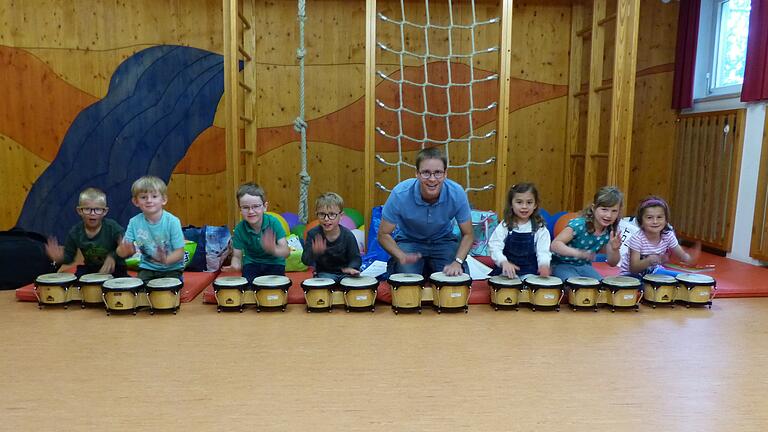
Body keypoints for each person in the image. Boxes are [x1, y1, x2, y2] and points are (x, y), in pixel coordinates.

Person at [377, 147, 473, 277]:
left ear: (445, 174)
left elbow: (468, 234)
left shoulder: (457, 193)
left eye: (438, 172)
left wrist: (457, 261)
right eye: (426, 173)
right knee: (405, 280)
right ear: (417, 173)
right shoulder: (400, 194)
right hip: (409, 240)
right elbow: (383, 234)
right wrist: (401, 256)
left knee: (456, 278)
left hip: (443, 240)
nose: (432, 179)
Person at [45, 187, 128, 277]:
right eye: (87, 209)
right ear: (79, 211)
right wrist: (60, 258)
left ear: (105, 211)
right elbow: (69, 257)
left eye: (97, 209)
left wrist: (113, 256)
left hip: (115, 268)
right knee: (78, 278)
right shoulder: (75, 232)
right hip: (91, 268)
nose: (92, 213)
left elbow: (124, 248)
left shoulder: (113, 228)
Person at [116, 176, 185, 282]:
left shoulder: (172, 221)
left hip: (172, 269)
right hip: (147, 268)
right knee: (138, 290)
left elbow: (179, 253)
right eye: (143, 197)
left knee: (166, 291)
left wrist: (165, 260)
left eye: (154, 196)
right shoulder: (134, 222)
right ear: (135, 201)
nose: (149, 200)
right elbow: (124, 251)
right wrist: (123, 251)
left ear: (164, 199)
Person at [550, 186, 624, 280]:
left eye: (614, 211)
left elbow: (612, 263)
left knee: (601, 286)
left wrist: (615, 249)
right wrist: (578, 253)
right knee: (574, 285)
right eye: (604, 209)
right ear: (593, 208)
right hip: (561, 264)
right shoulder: (579, 225)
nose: (609, 215)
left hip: (584, 266)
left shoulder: (610, 231)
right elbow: (555, 245)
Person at [619, 196, 700, 278]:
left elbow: (681, 254)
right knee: (649, 287)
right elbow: (634, 268)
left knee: (685, 278)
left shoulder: (668, 235)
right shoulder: (637, 239)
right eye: (649, 218)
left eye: (659, 217)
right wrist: (649, 261)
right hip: (631, 275)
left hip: (654, 271)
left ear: (666, 220)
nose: (655, 221)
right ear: (641, 221)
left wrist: (689, 259)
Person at [223, 182, 289, 281]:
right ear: (240, 209)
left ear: (265, 207)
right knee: (247, 287)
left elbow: (286, 252)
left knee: (275, 287)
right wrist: (235, 265)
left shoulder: (274, 223)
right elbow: (237, 256)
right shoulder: (239, 229)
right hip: (252, 263)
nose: (251, 211)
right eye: (245, 207)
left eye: (256, 206)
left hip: (274, 263)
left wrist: (273, 249)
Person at [488, 183, 551, 279]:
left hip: (529, 271)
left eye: (529, 202)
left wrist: (544, 264)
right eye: (519, 202)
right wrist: (503, 262)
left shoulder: (540, 228)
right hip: (506, 271)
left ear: (535, 205)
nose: (524, 206)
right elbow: (494, 245)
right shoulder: (505, 225)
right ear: (511, 204)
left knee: (529, 286)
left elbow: (543, 251)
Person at [301, 192, 362, 282]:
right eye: (322, 214)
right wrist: (314, 252)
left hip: (345, 273)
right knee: (325, 281)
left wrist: (351, 268)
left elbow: (356, 258)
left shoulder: (348, 235)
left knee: (356, 284)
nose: (326, 219)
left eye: (332, 214)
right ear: (316, 214)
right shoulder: (313, 234)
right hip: (324, 273)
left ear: (341, 216)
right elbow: (305, 260)